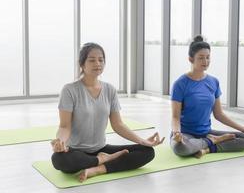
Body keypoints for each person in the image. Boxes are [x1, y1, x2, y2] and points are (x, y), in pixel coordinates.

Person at [51, 42, 164, 182]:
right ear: (82, 64)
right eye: (92, 60)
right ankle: (101, 160)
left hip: (101, 148)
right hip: (76, 151)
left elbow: (118, 125)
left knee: (147, 152)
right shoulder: (69, 90)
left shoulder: (109, 90)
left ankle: (97, 168)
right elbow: (64, 126)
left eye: (101, 60)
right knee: (59, 160)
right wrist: (60, 142)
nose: (97, 63)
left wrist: (142, 141)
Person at [170, 35, 244, 158]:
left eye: (208, 57)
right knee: (180, 149)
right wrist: (177, 133)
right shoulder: (180, 84)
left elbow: (219, 115)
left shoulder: (213, 82)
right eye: (201, 58)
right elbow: (175, 117)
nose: (205, 61)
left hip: (206, 133)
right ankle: (212, 142)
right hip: (185, 134)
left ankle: (207, 149)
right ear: (191, 59)